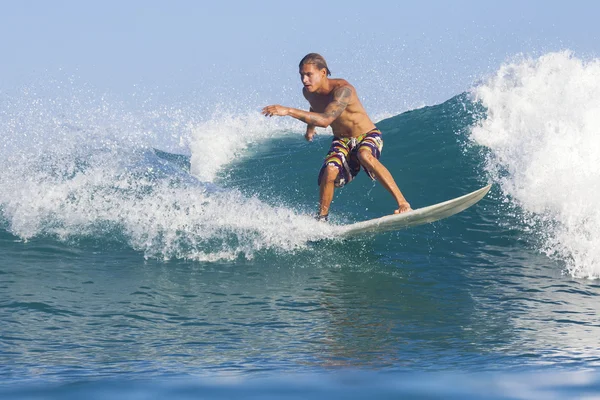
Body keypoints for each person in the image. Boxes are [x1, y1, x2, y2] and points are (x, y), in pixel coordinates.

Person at [262, 53, 411, 221]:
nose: (304, 80)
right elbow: (315, 108)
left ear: (323, 73)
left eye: (309, 75)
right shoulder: (308, 92)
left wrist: (288, 111)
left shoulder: (343, 90)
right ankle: (322, 218)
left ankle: (403, 203)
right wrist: (310, 129)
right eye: (301, 75)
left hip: (367, 135)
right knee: (330, 170)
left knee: (364, 155)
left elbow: (326, 120)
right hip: (341, 140)